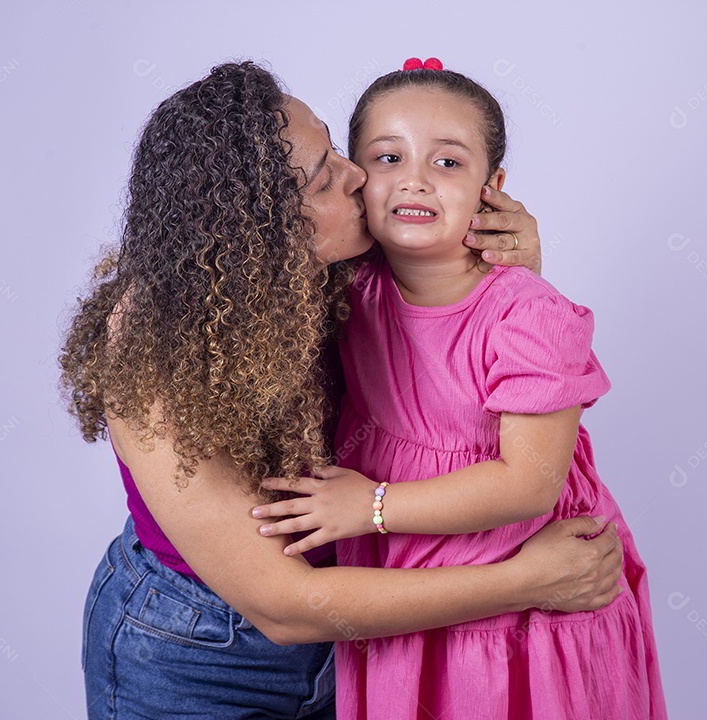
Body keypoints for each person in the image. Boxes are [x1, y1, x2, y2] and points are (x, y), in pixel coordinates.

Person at [60, 61, 624, 720]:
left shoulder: (345, 266)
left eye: (334, 146)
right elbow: (283, 606)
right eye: (327, 175)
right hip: (201, 651)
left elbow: (465, 348)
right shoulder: (156, 345)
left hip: (370, 635)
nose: (357, 173)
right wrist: (524, 582)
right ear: (263, 229)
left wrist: (511, 264)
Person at [252, 59, 666, 719]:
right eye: (388, 157)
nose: (414, 179)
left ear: (491, 187)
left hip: (527, 615)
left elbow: (527, 483)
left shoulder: (531, 315)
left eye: (448, 164)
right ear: (354, 180)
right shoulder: (347, 289)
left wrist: (371, 508)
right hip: (404, 602)